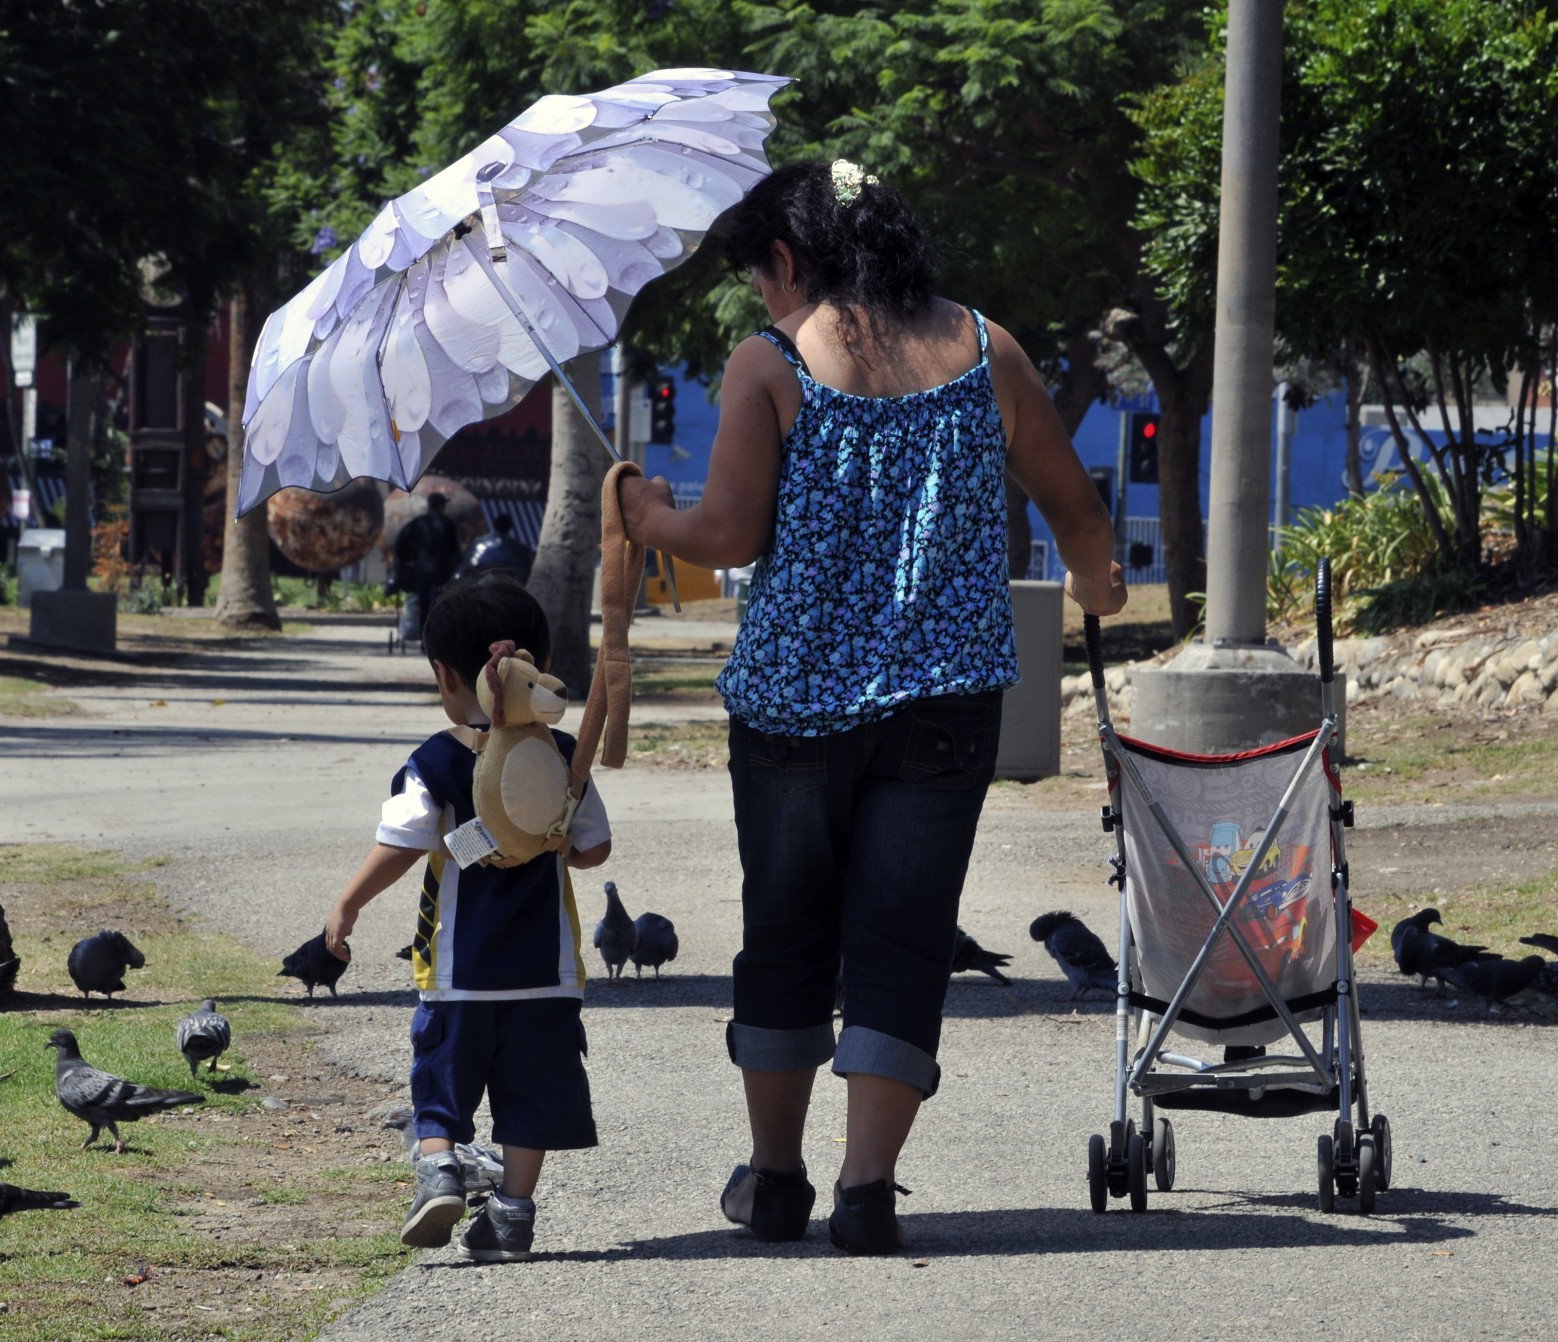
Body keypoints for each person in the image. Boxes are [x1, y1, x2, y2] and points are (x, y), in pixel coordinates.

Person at [619, 159, 1128, 1255]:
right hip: (945, 707)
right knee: (901, 941)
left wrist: (648, 514)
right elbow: (1075, 507)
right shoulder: (989, 349)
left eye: (764, 276)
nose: (766, 298)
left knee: (788, 932)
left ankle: (775, 1177)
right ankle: (866, 1189)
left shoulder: (770, 364)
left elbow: (728, 537)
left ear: (789, 260)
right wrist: (1100, 584)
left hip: (795, 707)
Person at [322, 574, 612, 1261]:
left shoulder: (438, 760)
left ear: (445, 676)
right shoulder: (565, 758)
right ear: (537, 668)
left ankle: (440, 1167)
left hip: (459, 971)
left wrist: (348, 903)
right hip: (547, 975)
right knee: (531, 1096)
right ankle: (512, 1213)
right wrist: (553, 836)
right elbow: (595, 848)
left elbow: (402, 845)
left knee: (443, 1079)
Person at [391, 492, 461, 642]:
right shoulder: (447, 524)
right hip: (441, 571)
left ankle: (425, 639)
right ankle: (434, 638)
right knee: (436, 604)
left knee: (424, 603)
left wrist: (408, 559)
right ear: (442, 506)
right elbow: (455, 551)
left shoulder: (418, 523)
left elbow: (400, 544)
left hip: (422, 570)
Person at [464, 512, 536, 585]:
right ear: (510, 527)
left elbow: (464, 568)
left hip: (483, 581)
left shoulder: (478, 544)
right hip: (507, 583)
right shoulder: (519, 549)